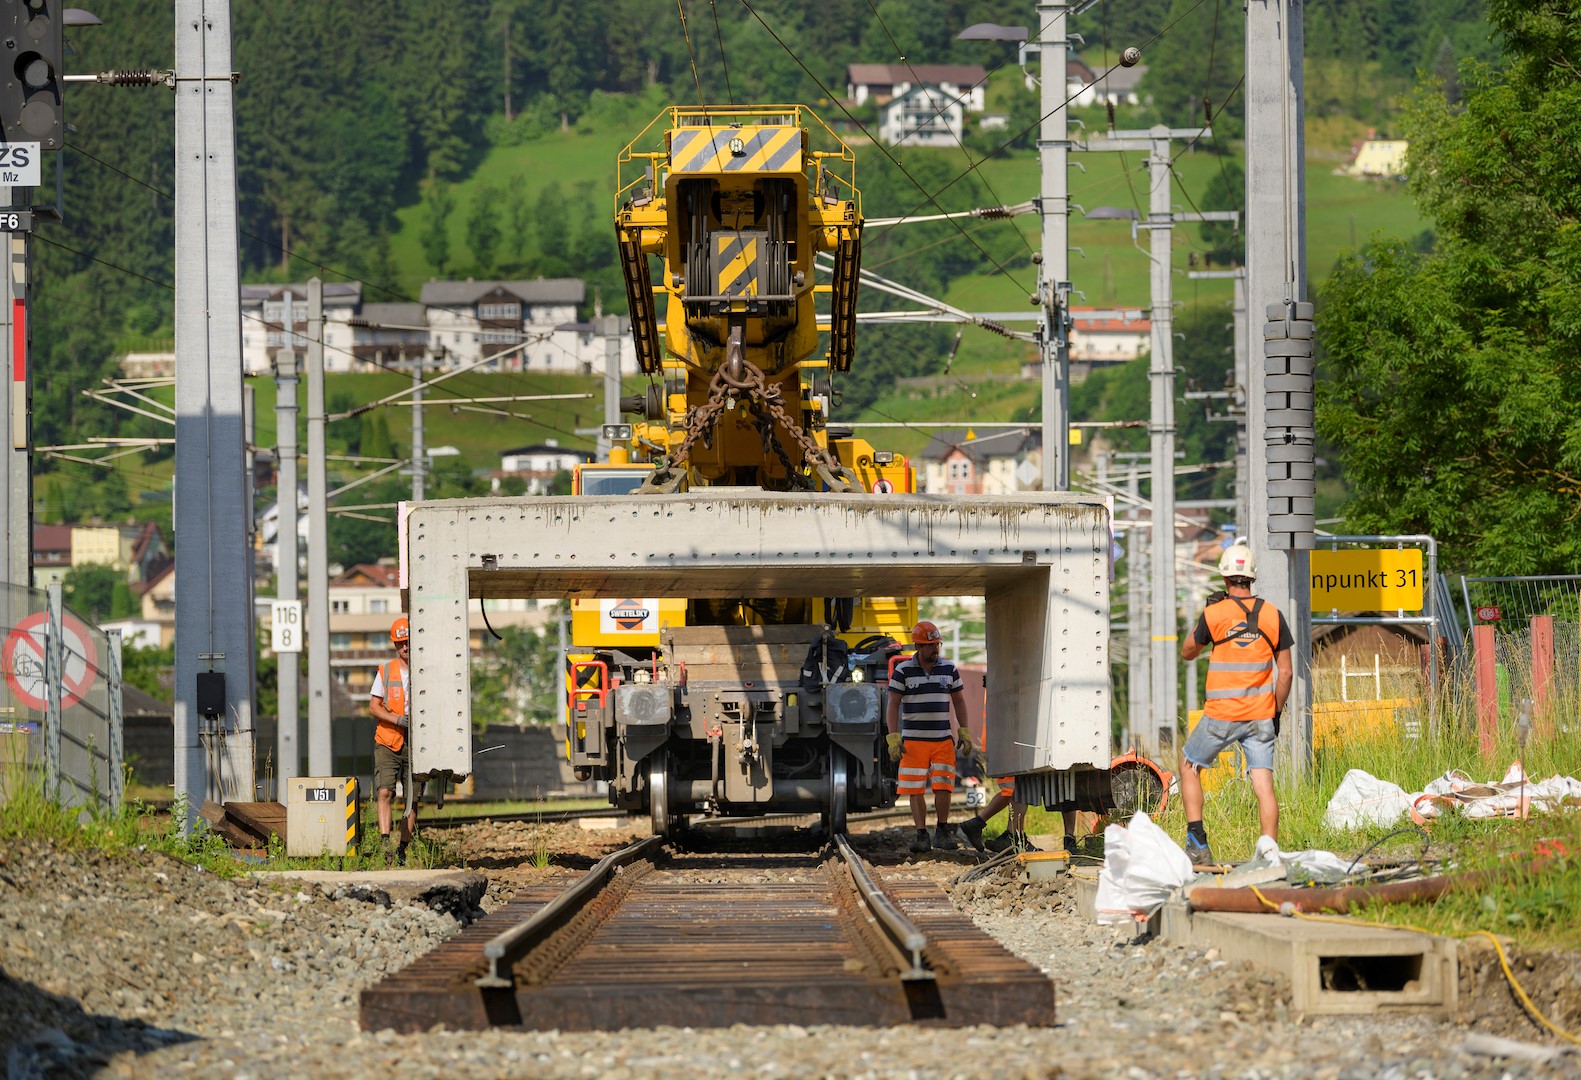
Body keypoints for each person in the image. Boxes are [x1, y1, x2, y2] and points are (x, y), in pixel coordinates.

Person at [1178, 542, 1293, 867]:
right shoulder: (1273, 615)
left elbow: (1187, 652)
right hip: (1260, 716)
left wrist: (1207, 616)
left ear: (1225, 577)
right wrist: (1276, 713)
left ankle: (1197, 842)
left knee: (1188, 765)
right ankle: (1270, 853)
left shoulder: (1215, 614)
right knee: (1262, 782)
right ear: (1251, 578)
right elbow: (1285, 673)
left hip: (1221, 715)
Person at [886, 620, 973, 853]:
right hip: (913, 742)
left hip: (942, 739)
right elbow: (892, 704)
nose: (936, 649)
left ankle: (942, 831)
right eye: (931, 645)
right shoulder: (903, 671)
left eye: (937, 644)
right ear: (918, 646)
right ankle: (921, 834)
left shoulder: (949, 669)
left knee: (944, 785)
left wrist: (964, 730)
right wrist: (893, 737)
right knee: (914, 788)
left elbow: (959, 701)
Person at [370, 615, 418, 862]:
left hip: (417, 743)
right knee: (385, 791)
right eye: (400, 643)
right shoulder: (386, 671)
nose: (405, 647)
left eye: (408, 641)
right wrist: (397, 719)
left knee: (412, 798)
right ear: (394, 645)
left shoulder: (425, 669)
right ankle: (385, 843)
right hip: (388, 739)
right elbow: (374, 707)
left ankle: (403, 850)